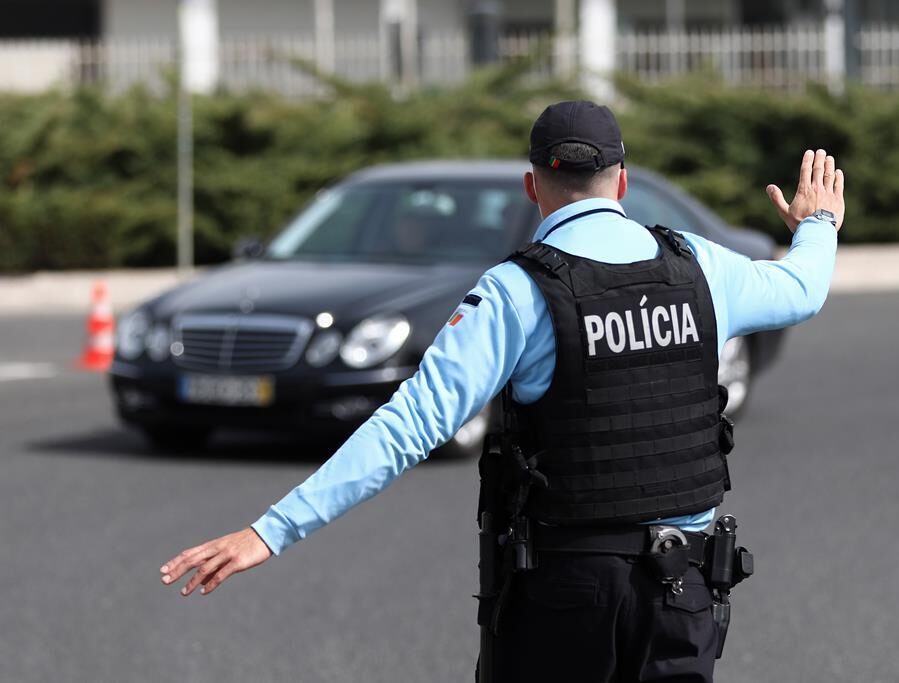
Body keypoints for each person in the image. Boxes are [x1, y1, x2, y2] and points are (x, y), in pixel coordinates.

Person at [159, 100, 844, 682]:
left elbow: (408, 426)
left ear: (532, 186)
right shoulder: (699, 266)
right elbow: (802, 289)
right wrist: (816, 224)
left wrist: (269, 532)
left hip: (566, 591)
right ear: (623, 182)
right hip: (684, 587)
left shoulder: (519, 291)